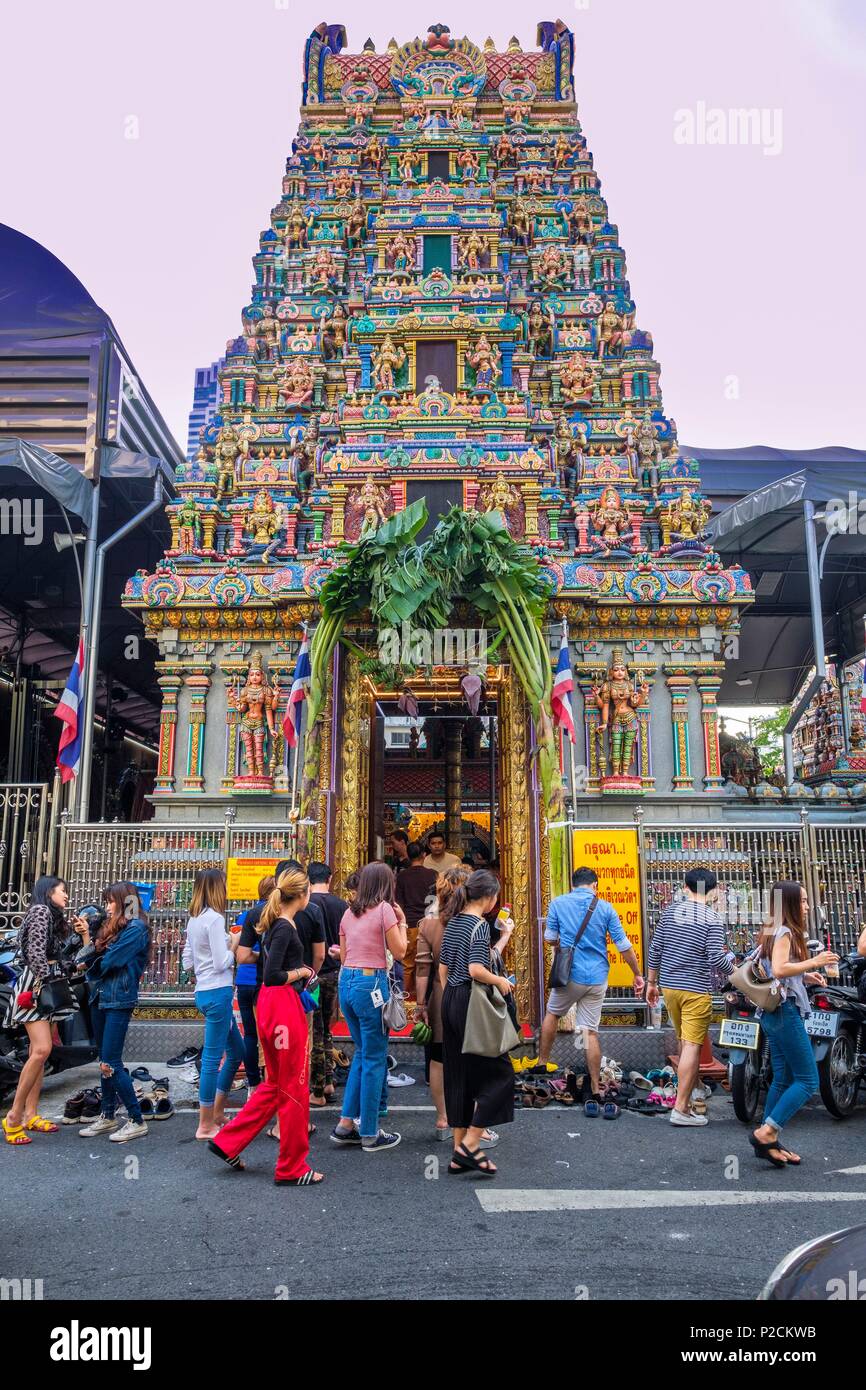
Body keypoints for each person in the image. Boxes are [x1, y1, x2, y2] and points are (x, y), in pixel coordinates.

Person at [209, 868, 324, 1185]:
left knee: (275, 1084)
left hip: (271, 1004)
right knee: (295, 1086)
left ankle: (227, 1141)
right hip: (282, 1003)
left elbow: (260, 964)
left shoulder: (274, 922)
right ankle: (291, 1167)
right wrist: (301, 972)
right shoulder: (285, 926)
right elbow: (273, 973)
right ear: (302, 895)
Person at [750, 881, 838, 1168]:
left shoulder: (770, 929)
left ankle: (769, 1140)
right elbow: (778, 968)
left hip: (772, 1011)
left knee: (783, 1078)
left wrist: (805, 977)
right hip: (785, 1011)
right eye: (801, 900)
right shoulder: (786, 931)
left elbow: (778, 971)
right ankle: (767, 1132)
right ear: (788, 904)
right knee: (808, 1079)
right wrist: (814, 962)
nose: (807, 905)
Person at [538, 867, 644, 1098]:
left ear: (573, 884)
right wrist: (637, 973)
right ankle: (596, 1087)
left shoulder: (558, 903)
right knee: (590, 1032)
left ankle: (542, 1063)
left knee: (553, 1014)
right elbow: (623, 946)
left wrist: (563, 944)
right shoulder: (605, 907)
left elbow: (549, 939)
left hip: (569, 976)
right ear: (594, 885)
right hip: (597, 978)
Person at [440, 868, 515, 1177]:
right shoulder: (480, 926)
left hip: (450, 1000)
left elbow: (444, 970)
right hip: (471, 1002)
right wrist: (499, 981)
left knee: (460, 1076)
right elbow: (475, 969)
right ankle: (471, 1143)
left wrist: (454, 1001)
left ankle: (459, 1154)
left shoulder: (453, 922)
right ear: (489, 898)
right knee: (501, 1074)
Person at [646, 867, 735, 1127]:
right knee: (693, 1045)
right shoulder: (712, 918)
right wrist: (737, 973)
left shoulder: (671, 912)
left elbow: (655, 949)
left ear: (685, 888)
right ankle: (681, 1109)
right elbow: (717, 958)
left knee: (685, 1042)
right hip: (695, 990)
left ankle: (695, 1093)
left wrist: (651, 983)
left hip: (670, 988)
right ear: (714, 891)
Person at [2, 876, 86, 1145]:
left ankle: (31, 1114)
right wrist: (56, 974)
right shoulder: (40, 912)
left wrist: (80, 938)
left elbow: (58, 956)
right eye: (63, 891)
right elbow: (37, 957)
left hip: (47, 985)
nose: (67, 896)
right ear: (49, 891)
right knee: (41, 1050)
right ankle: (13, 1117)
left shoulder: (49, 915)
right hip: (39, 986)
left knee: (39, 1053)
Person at [331, 862, 407, 1152]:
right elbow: (399, 952)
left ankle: (346, 1123)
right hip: (371, 983)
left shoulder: (349, 913)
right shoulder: (385, 910)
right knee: (375, 1058)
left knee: (362, 1053)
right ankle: (371, 1132)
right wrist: (402, 923)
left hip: (347, 981)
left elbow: (345, 955)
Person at [79, 883, 151, 1143]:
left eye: (111, 901)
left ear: (124, 901)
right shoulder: (118, 927)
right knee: (104, 1060)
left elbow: (113, 961)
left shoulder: (136, 928)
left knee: (111, 1061)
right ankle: (107, 1114)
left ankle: (136, 1119)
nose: (107, 906)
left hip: (119, 997)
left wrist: (93, 963)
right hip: (102, 995)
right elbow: (98, 955)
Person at [182, 868, 244, 1140]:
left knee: (237, 1051)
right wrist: (235, 945)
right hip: (218, 992)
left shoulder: (195, 919)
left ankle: (217, 1112)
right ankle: (206, 1123)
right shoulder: (215, 919)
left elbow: (187, 961)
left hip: (204, 991)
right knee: (211, 1060)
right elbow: (222, 962)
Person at [416, 865, 470, 1139]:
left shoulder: (427, 924)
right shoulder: (473, 923)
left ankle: (442, 1118)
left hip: (439, 995)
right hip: (470, 994)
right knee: (469, 1057)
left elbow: (422, 968)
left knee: (438, 1058)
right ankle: (467, 1122)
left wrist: (420, 1005)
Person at [307, 861, 348, 1107]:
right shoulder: (341, 905)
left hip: (312, 975)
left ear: (308, 880)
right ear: (329, 879)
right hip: (334, 972)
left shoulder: (306, 905)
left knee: (315, 1030)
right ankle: (329, 1081)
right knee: (327, 1028)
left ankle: (319, 1088)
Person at [235, 875, 276, 1095]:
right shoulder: (273, 915)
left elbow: (238, 949)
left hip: (244, 981)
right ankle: (270, 1080)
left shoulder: (245, 916)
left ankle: (253, 1084)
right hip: (263, 981)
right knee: (269, 1035)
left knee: (250, 1034)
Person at [395, 842, 438, 999]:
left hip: (410, 924)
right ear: (424, 855)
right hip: (430, 924)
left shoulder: (402, 876)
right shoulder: (433, 874)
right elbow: (437, 901)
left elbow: (398, 903)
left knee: (407, 964)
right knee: (429, 963)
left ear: (408, 855)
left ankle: (404, 1001)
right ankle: (428, 999)